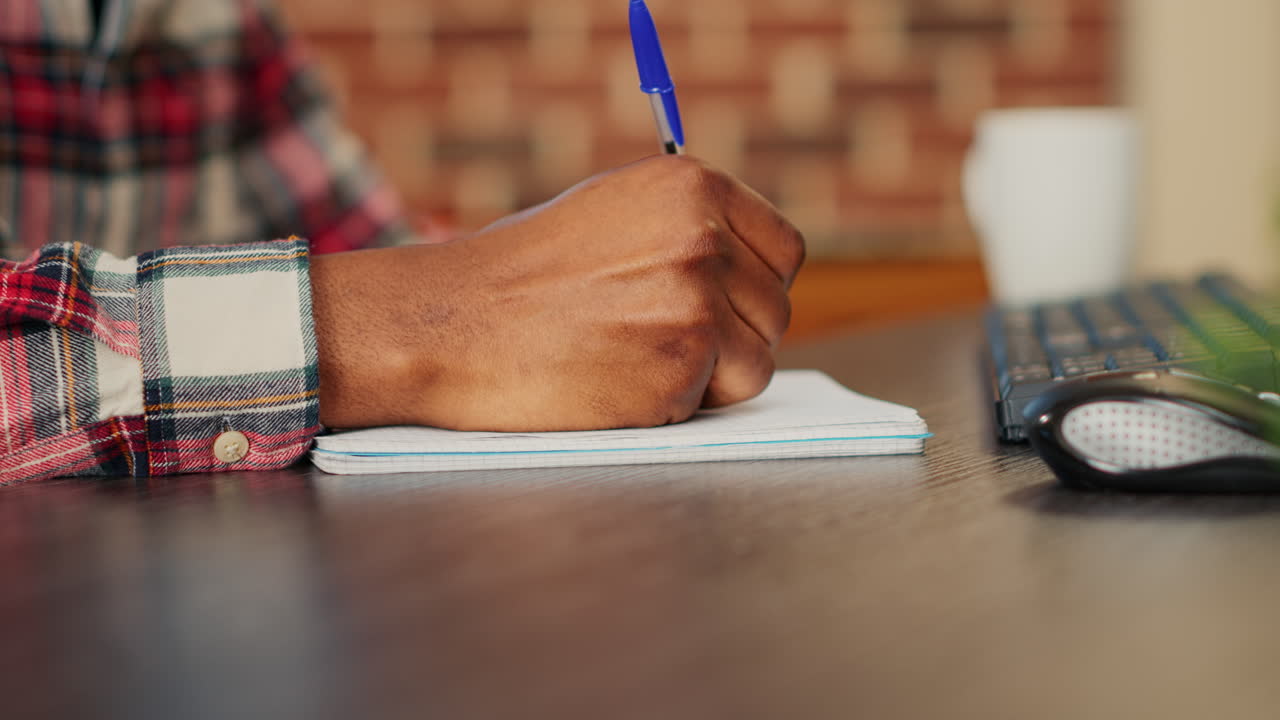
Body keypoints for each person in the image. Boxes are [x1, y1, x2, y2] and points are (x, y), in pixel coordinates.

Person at [0, 0, 804, 482]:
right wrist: (429, 321)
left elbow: (372, 241)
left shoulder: (221, 16)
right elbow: (427, 296)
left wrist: (573, 278)